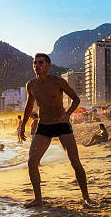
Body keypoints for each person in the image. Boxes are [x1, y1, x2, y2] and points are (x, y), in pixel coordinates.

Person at [19, 53, 93, 207]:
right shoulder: (31, 84)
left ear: (48, 65)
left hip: (61, 125)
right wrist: (22, 126)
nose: (37, 66)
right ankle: (38, 199)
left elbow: (76, 99)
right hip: (44, 126)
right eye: (35, 63)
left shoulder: (58, 82)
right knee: (32, 162)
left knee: (75, 162)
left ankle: (86, 197)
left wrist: (67, 114)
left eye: (40, 63)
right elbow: (28, 106)